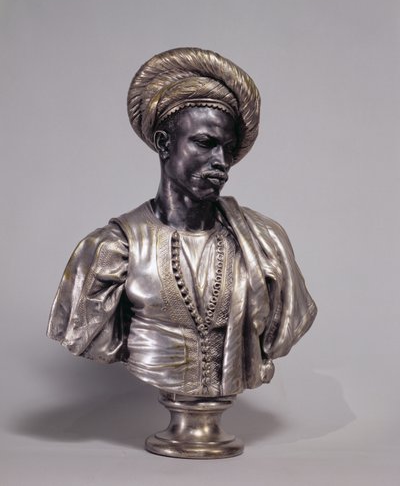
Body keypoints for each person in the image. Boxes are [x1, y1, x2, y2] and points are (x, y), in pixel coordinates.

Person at [47, 47, 317, 398]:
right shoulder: (111, 250)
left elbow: (288, 321)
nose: (221, 161)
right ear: (164, 144)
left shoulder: (266, 243)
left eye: (228, 148)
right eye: (205, 143)